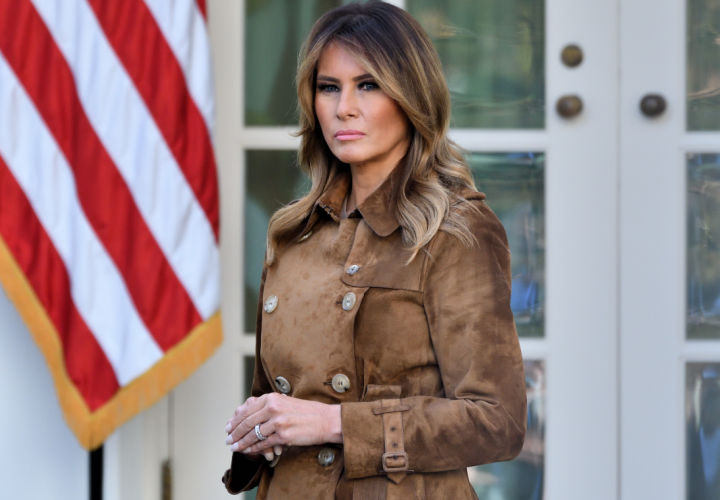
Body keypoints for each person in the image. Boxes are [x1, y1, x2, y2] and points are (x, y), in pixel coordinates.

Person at [222, 2, 526, 498]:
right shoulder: (292, 233)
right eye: (328, 87)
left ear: (412, 96)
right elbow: (279, 399)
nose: (344, 107)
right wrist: (260, 428)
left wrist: (334, 423)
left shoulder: (454, 232)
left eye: (369, 85)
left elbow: (497, 420)